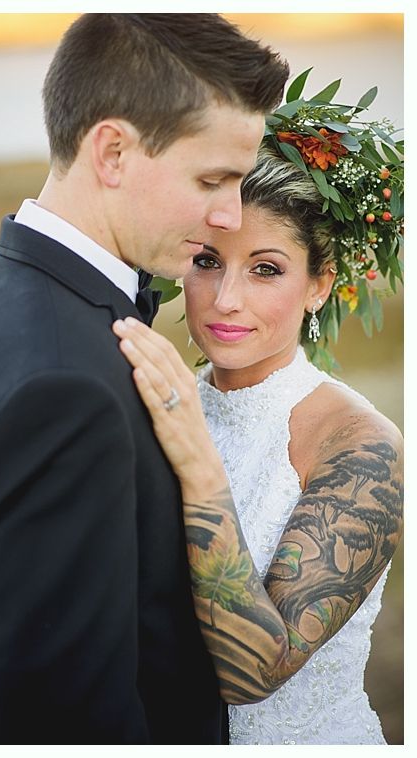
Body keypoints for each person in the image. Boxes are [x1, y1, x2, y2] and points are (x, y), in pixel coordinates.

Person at [0, 13, 288, 744]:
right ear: (112, 150)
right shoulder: (66, 388)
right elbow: (68, 719)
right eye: (212, 179)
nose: (229, 215)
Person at [110, 142, 402, 744]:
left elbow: (255, 673)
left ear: (320, 285)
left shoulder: (362, 446)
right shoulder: (146, 401)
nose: (226, 299)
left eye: (265, 269)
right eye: (207, 261)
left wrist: (197, 464)